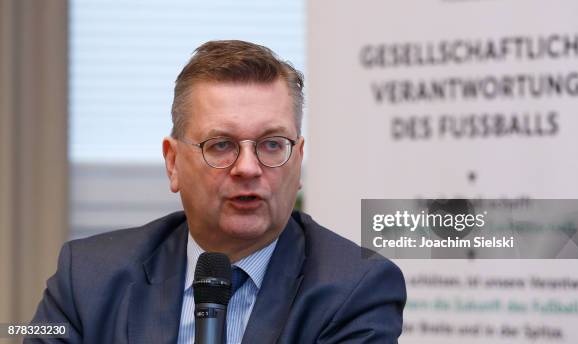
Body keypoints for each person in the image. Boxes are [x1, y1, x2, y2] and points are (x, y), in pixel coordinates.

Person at [29, 40, 406, 343]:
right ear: (173, 162)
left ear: (298, 159)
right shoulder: (87, 278)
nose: (248, 167)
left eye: (272, 144)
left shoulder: (355, 289)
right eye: (221, 145)